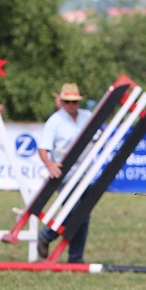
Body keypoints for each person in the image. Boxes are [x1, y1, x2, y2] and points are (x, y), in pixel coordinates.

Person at [37, 83, 93, 263]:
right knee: (73, 211)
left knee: (83, 214)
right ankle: (47, 235)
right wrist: (50, 165)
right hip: (66, 173)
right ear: (61, 101)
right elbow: (43, 149)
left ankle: (76, 257)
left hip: (86, 172)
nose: (71, 105)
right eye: (67, 101)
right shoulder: (55, 121)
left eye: (74, 102)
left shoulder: (88, 116)